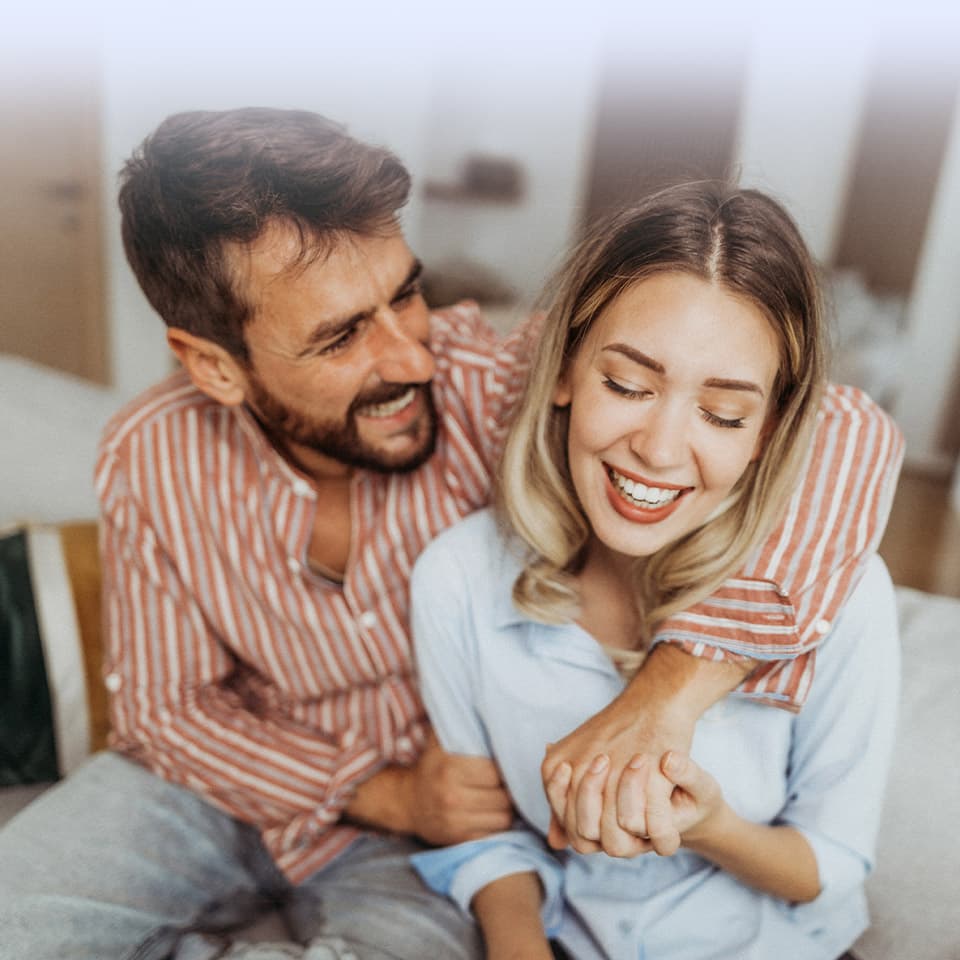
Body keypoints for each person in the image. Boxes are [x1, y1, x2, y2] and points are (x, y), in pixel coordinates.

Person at [0, 109, 901, 960]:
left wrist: (661, 696)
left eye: (406, 295)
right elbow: (166, 710)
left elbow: (835, 426)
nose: (410, 357)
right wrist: (384, 791)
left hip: (427, 840)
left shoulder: (490, 378)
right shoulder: (151, 454)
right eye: (342, 335)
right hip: (246, 790)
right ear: (212, 365)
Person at [410, 182, 901, 960]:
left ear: (767, 430)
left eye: (724, 414)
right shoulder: (458, 579)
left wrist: (713, 828)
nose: (662, 449)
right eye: (628, 385)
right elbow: (490, 837)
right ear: (564, 369)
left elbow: (831, 868)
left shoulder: (843, 595)